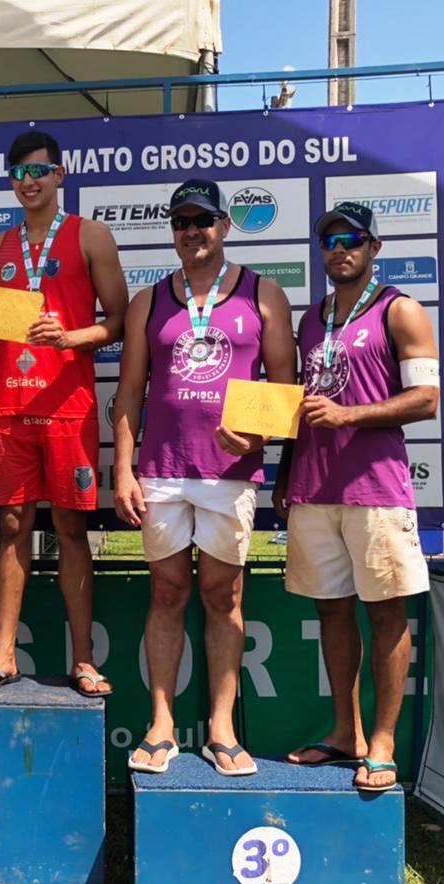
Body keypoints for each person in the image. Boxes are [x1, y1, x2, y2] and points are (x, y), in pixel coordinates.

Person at [113, 179, 296, 774]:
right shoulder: (149, 300)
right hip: (162, 471)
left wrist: (258, 439)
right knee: (166, 592)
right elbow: (129, 392)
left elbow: (283, 389)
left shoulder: (264, 295)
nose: (193, 232)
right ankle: (161, 724)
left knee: (224, 595)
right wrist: (122, 466)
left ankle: (221, 728)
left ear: (225, 226)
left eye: (204, 221)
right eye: (182, 222)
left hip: (229, 472)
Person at [275, 201, 439, 792]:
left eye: (352, 239)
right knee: (331, 610)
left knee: (386, 611)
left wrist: (350, 415)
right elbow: (302, 402)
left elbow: (426, 401)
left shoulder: (402, 310)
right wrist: (285, 473)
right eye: (329, 240)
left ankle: (383, 741)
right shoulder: (312, 318)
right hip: (314, 489)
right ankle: (345, 732)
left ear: (373, 248)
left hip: (375, 489)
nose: (339, 248)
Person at [0, 131, 129, 696]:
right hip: (13, 407)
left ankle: (83, 658)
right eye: (18, 173)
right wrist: (11, 352)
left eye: (39, 171)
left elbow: (118, 320)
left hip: (69, 407)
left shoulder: (91, 235)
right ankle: (3, 652)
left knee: (70, 528)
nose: (29, 182)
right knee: (11, 526)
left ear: (60, 175)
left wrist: (68, 338)